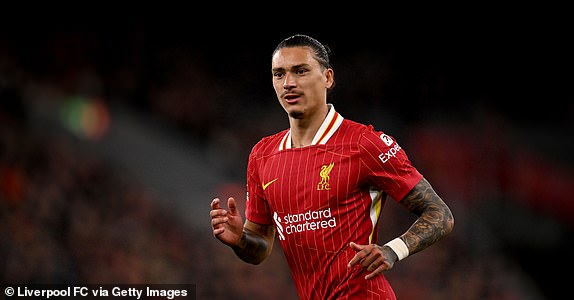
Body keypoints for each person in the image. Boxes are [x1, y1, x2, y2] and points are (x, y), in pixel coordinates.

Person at [210, 34, 454, 299]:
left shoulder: (363, 144)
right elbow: (260, 248)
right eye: (278, 74)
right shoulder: (262, 155)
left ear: (327, 77)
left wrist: (393, 249)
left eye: (300, 71)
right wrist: (239, 241)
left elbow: (439, 213)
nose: (289, 83)